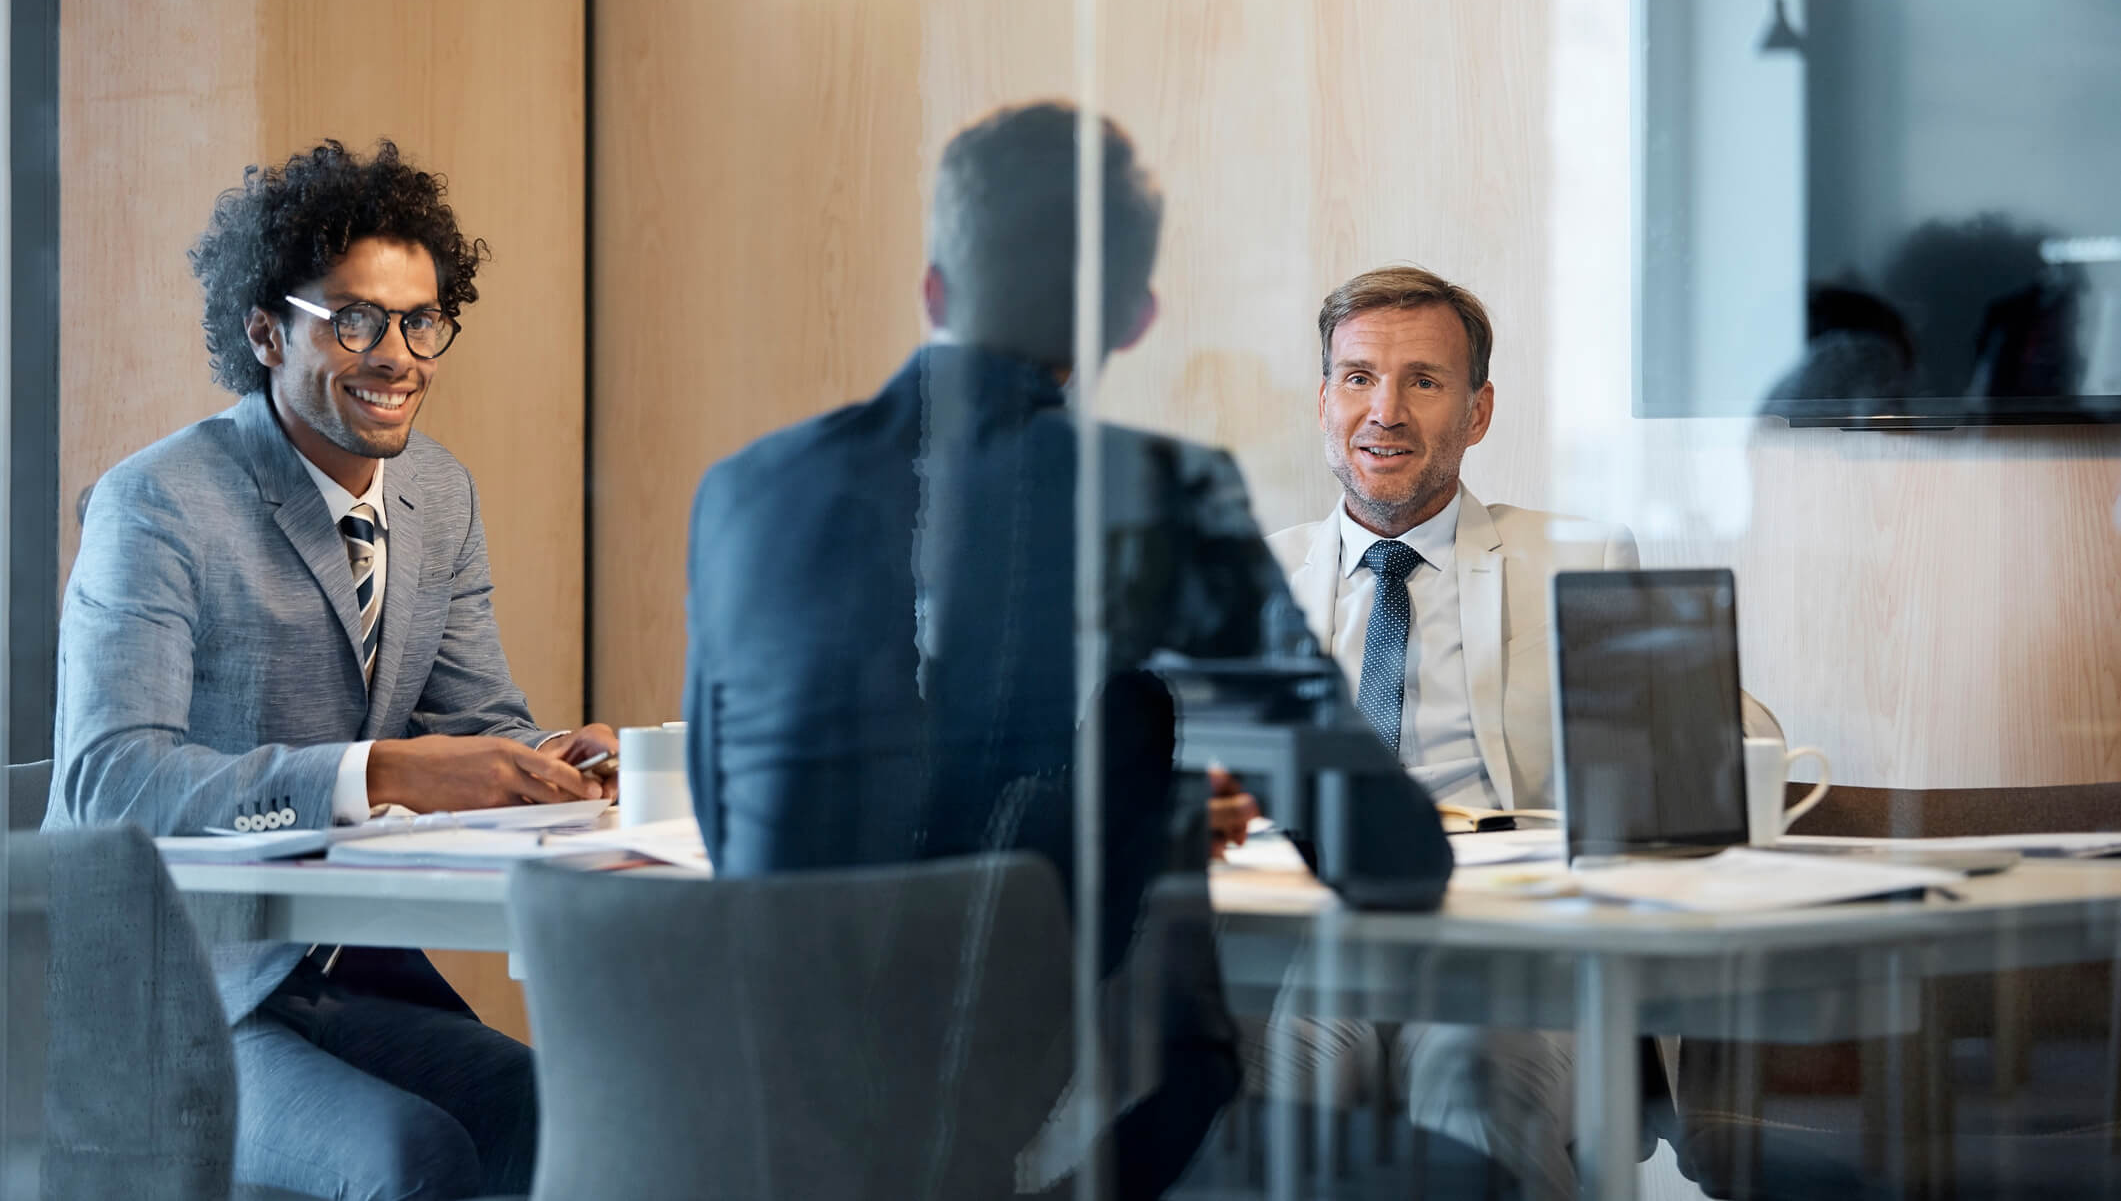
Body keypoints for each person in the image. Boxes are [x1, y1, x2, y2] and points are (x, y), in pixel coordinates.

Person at [682, 102, 1452, 1198]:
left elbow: (735, 823)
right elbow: (1389, 856)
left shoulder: (742, 487)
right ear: (1134, 318)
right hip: (977, 1109)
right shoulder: (1153, 494)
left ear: (934, 290)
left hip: (738, 1112)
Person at [47, 139, 618, 1201]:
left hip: (338, 976)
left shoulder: (436, 494)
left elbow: (478, 720)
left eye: (420, 320)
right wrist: (379, 775)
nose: (396, 354)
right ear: (267, 331)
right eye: (354, 319)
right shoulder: (159, 502)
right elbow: (110, 786)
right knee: (418, 1155)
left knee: (575, 1121)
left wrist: (554, 760)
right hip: (170, 999)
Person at [1258, 264, 1784, 1199]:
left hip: (1507, 941)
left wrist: (1686, 701)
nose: (1385, 410)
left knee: (1473, 1086)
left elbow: (1709, 749)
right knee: (1272, 1100)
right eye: (1357, 377)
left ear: (1477, 410)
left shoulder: (1577, 557)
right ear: (1324, 399)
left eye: (1423, 381)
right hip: (1319, 935)